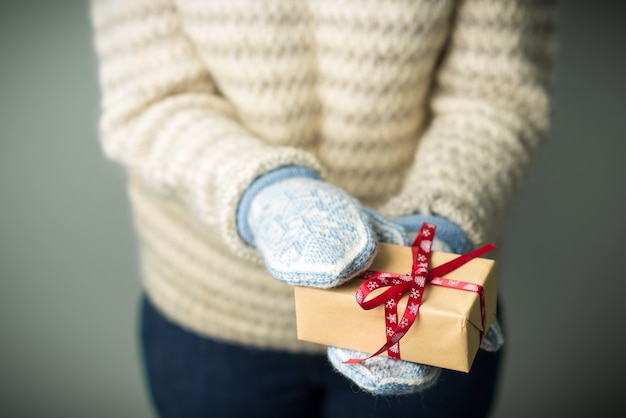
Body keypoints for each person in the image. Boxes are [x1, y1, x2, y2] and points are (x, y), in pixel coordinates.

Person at [89, 0, 557, 417]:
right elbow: (148, 99)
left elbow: (497, 94)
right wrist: (265, 193)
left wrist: (438, 225)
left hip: (423, 307)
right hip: (212, 315)